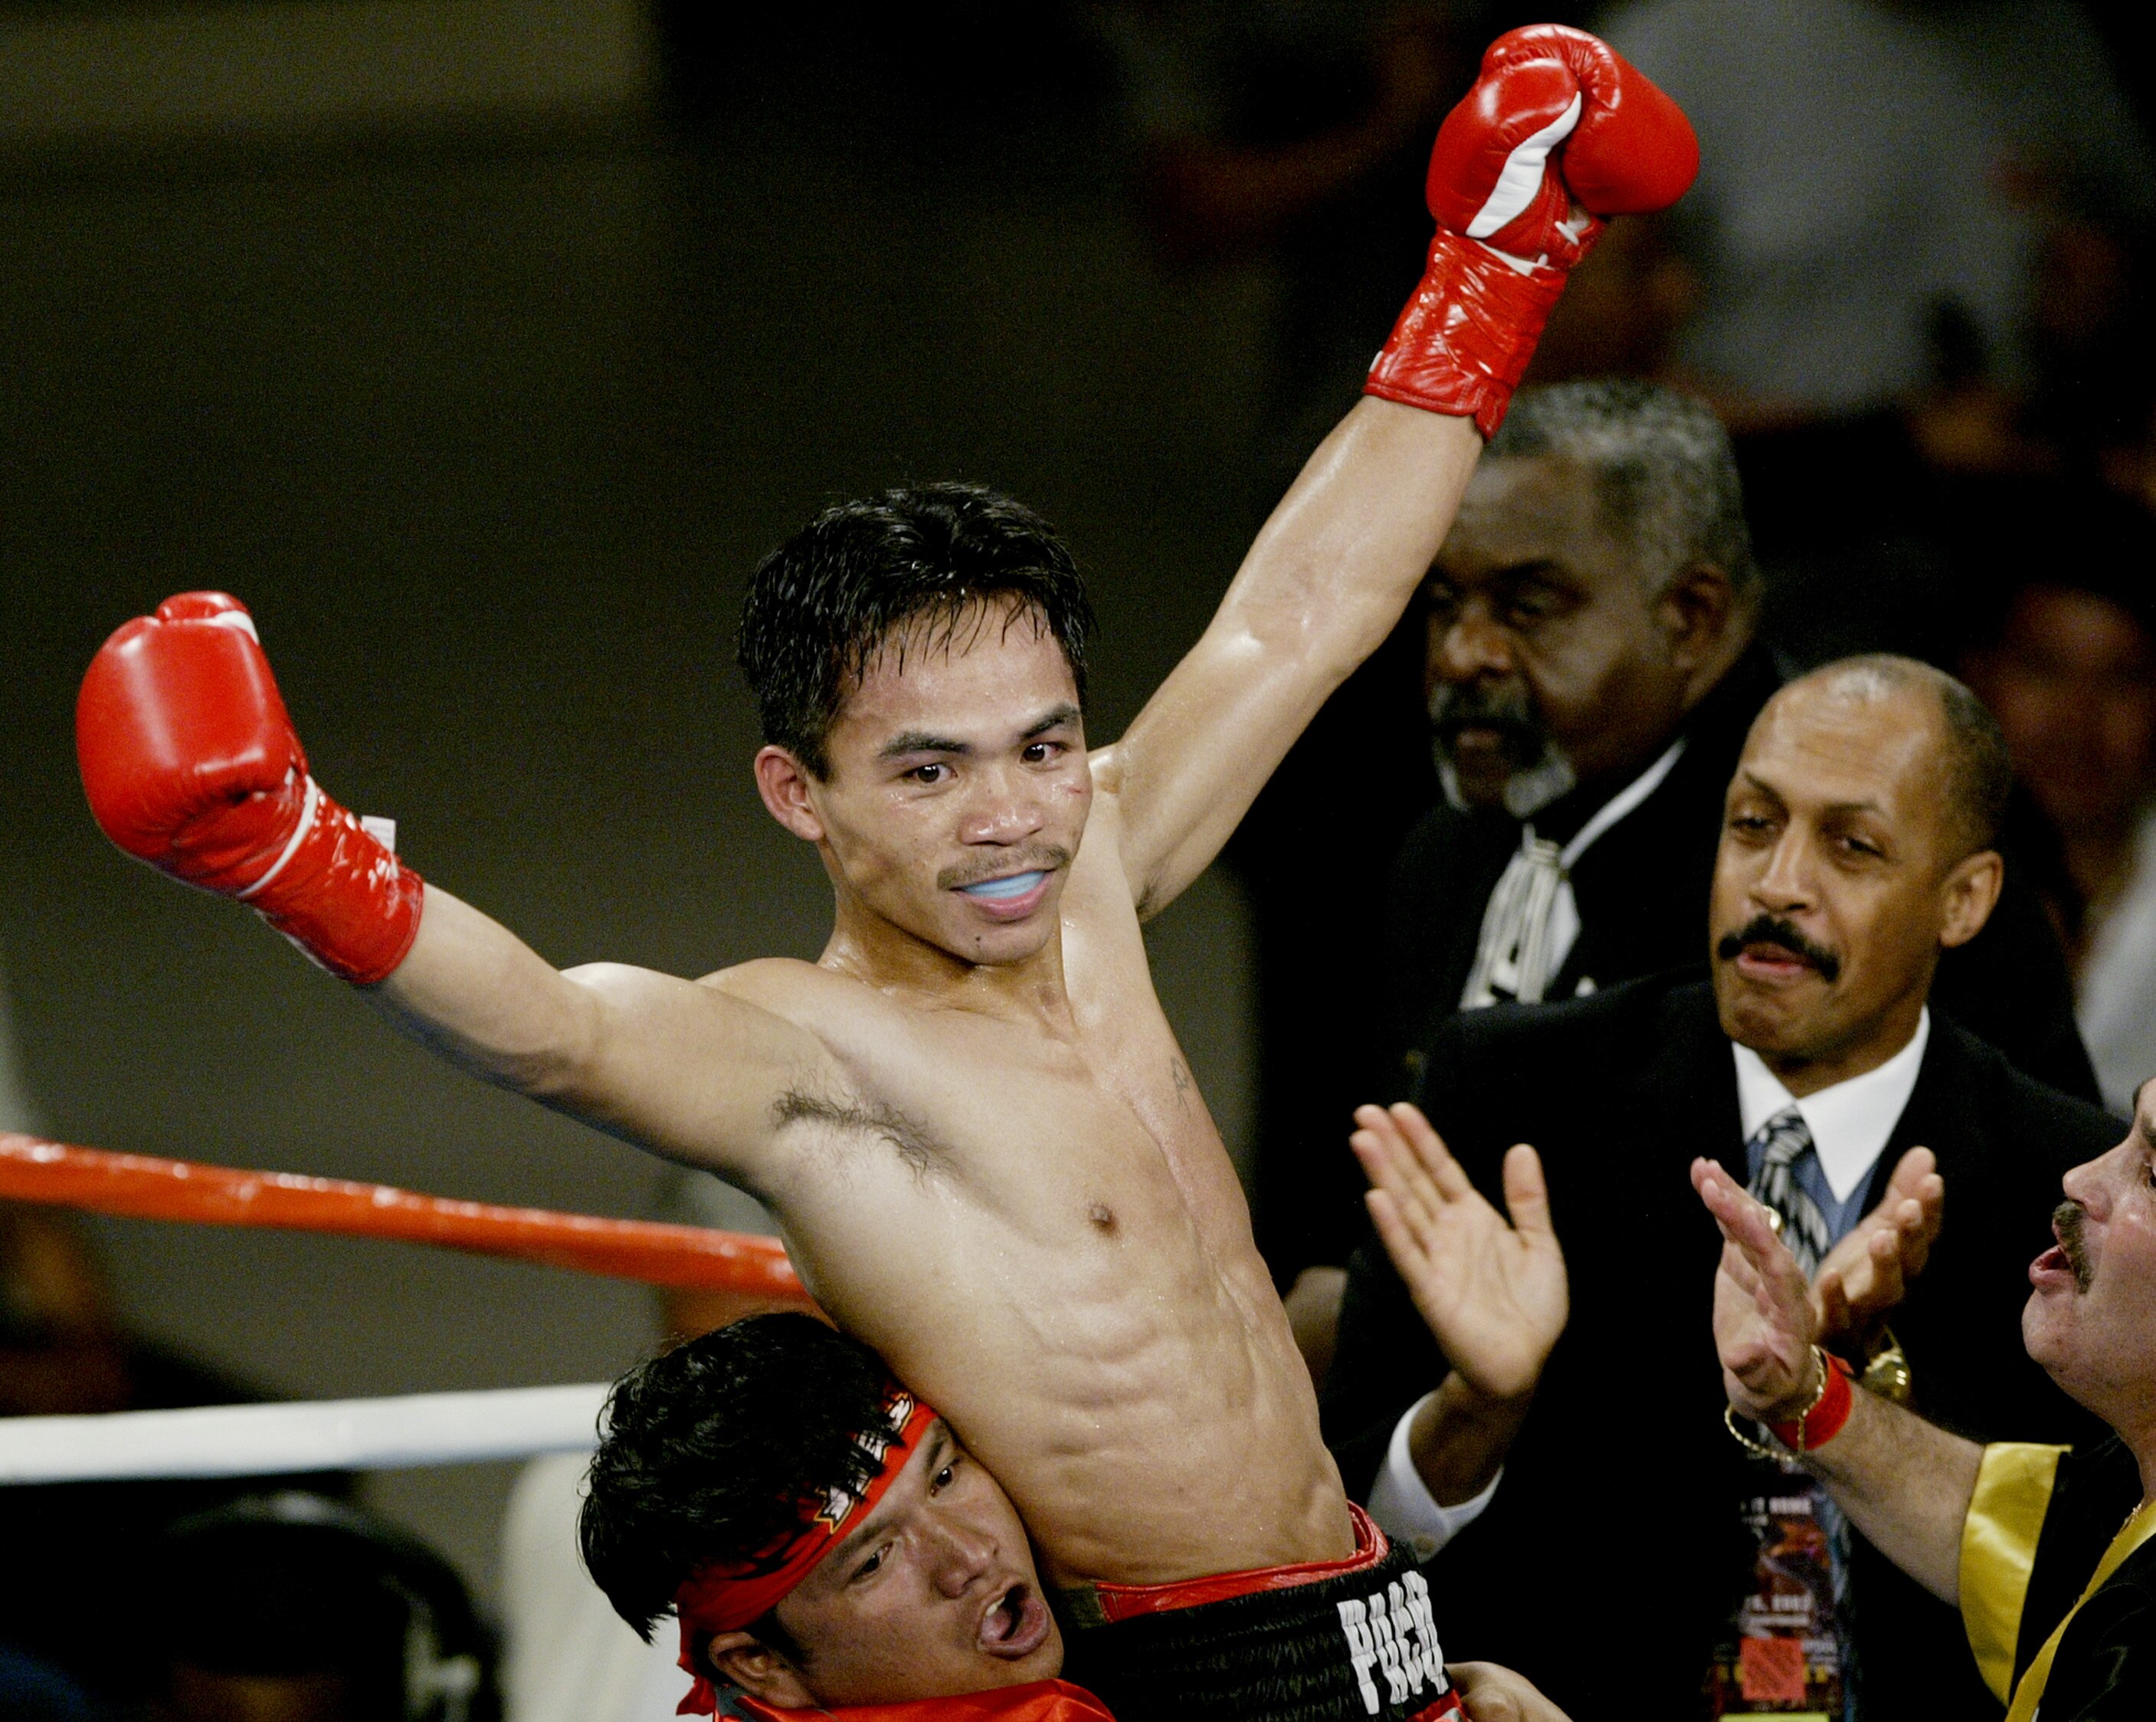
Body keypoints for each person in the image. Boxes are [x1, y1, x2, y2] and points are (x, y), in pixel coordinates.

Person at [68, 27, 1698, 1720]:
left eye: (1043, 743)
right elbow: (556, 1030)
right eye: (929, 769)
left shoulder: (1090, 869)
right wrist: (287, 852)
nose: (1009, 815)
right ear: (801, 795)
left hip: (1365, 1614)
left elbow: (1304, 614)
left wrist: (1495, 264)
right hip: (1165, 1671)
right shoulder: (819, 1066)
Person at [1321, 655, 2121, 1717]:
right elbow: (1340, 1538)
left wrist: (1861, 1378)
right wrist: (1477, 1408)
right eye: (1751, 823)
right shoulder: (1515, 1093)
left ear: (1963, 898)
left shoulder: (2064, 1184)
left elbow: (2095, 1576)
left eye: (1851, 845)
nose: (1776, 882)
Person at [1263, 379, 2095, 1291]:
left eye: (1527, 607)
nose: (1463, 654)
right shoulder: (1443, 857)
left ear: (1691, 618)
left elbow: (2044, 1248)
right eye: (1445, 604)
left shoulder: (1877, 867)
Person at [1694, 1075, 2156, 1720]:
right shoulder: (2134, 1487)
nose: (2081, 1176)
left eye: (2154, 1173)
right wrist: (1800, 1390)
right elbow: (2019, 1534)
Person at [1958, 510, 2156, 1114]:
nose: (2077, 721)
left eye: (2121, 679)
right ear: (1979, 675)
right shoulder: (1906, 885)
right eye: (2044, 668)